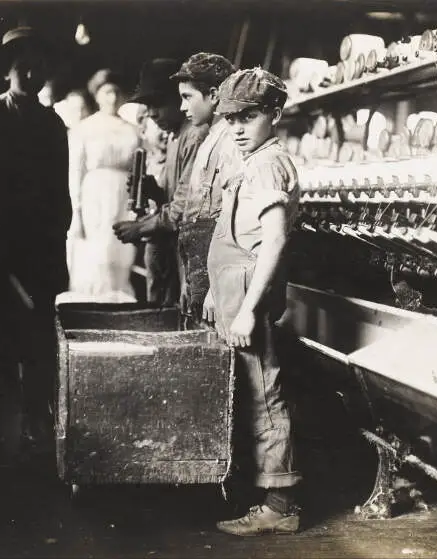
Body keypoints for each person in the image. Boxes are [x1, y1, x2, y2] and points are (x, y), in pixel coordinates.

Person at [203, 68, 302, 536]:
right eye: (230, 118)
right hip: (231, 290)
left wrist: (245, 310)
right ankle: (262, 492)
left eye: (250, 116)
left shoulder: (267, 163)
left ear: (275, 114)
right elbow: (233, 233)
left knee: (265, 396)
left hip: (248, 296)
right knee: (248, 393)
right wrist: (213, 290)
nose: (238, 127)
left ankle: (280, 506)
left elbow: (275, 240)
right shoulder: (253, 158)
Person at [0, 26, 72, 449]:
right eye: (23, 66)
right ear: (7, 70)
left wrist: (57, 238)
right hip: (0, 243)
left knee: (38, 335)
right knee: (0, 333)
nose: (32, 73)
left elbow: (60, 192)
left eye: (39, 66)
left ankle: (36, 420)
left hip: (41, 246)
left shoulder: (53, 123)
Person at [113, 53, 239, 318]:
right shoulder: (175, 137)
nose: (152, 114)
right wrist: (154, 191)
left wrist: (140, 227)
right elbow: (179, 196)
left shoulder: (194, 136)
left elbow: (183, 209)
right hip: (176, 249)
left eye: (158, 103)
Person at [65, 69, 140, 302]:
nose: (113, 98)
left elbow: (138, 171)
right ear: (97, 95)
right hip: (94, 195)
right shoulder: (84, 129)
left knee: (119, 250)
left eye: (117, 92)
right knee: (95, 251)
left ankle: (118, 302)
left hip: (123, 195)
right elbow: (75, 171)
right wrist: (76, 210)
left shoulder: (132, 130)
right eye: (107, 92)